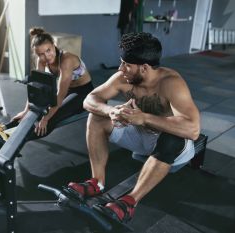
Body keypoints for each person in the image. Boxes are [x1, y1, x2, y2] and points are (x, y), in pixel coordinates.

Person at [67, 32, 200, 223]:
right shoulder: (122, 77)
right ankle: (97, 182)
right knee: (96, 117)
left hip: (171, 146)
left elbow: (193, 129)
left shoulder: (171, 83)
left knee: (173, 138)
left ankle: (130, 202)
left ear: (144, 68)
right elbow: (90, 99)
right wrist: (111, 110)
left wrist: (144, 117)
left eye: (126, 65)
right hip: (139, 134)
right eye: (122, 63)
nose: (121, 69)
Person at [0, 27, 94, 138]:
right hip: (66, 90)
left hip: (83, 92)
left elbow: (60, 95)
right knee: (36, 111)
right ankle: (5, 128)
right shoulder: (41, 61)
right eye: (41, 54)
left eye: (48, 50)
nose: (46, 56)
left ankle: (11, 138)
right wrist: (25, 111)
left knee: (51, 118)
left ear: (54, 45)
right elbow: (37, 89)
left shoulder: (66, 60)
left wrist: (45, 119)